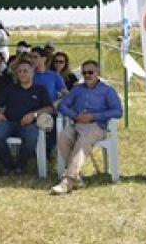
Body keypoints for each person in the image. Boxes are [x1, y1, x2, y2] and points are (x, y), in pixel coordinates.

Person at [51, 60, 123, 194]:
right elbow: (63, 105)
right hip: (77, 123)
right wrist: (75, 115)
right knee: (63, 136)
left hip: (96, 126)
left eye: (91, 72)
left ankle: (68, 180)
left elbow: (118, 112)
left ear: (98, 73)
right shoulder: (77, 89)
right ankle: (77, 178)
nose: (87, 75)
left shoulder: (107, 90)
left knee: (84, 140)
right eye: (84, 73)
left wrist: (94, 116)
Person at [0, 61, 54, 175]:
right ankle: (8, 164)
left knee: (31, 137)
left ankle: (20, 165)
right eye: (19, 71)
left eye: (25, 71)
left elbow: (50, 108)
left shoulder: (40, 89)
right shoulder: (10, 89)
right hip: (9, 122)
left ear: (32, 73)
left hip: (29, 124)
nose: (22, 74)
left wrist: (33, 115)